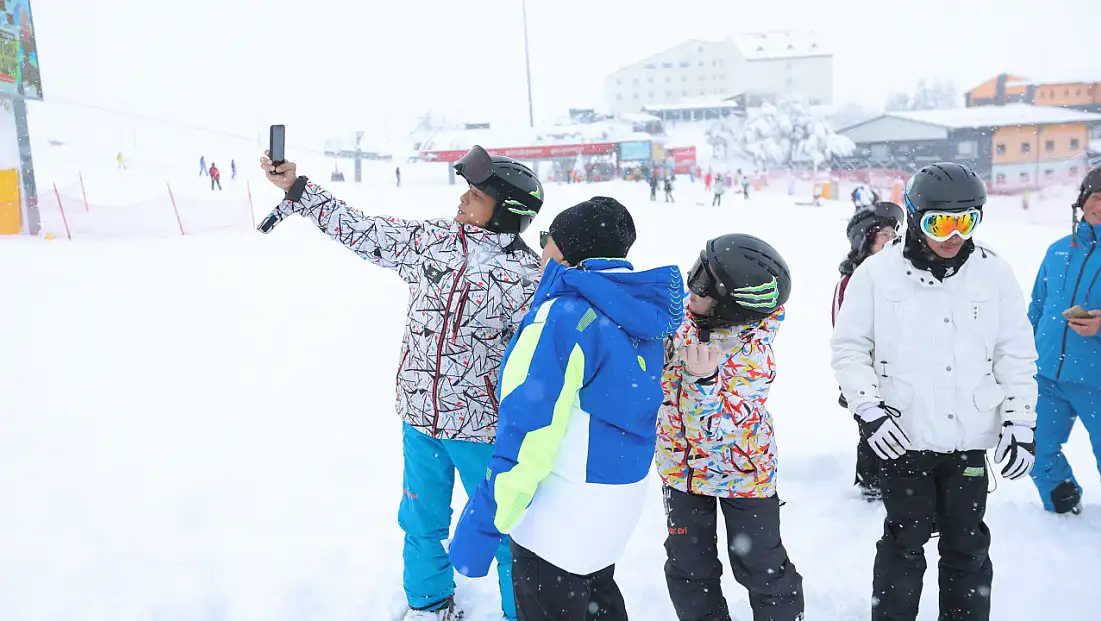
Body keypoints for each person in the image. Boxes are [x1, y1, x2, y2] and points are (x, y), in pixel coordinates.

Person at [259, 145, 545, 621]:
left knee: (504, 533)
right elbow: (363, 230)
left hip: (483, 431)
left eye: (475, 195)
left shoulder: (530, 278)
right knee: (420, 520)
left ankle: (524, 613)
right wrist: (297, 189)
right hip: (419, 417)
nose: (462, 200)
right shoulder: (433, 242)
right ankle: (429, 603)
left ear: (507, 213)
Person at [449, 197, 684, 621]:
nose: (541, 251)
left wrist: (483, 524)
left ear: (565, 252)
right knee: (596, 603)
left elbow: (529, 437)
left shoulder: (563, 317)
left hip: (559, 521)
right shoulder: (637, 314)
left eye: (547, 241)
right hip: (615, 509)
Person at [830, 162, 1039, 621]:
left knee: (967, 543)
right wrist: (869, 410)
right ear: (915, 217)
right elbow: (849, 350)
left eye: (967, 221)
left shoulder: (994, 274)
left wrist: (1020, 420)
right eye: (939, 222)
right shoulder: (877, 275)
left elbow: (1016, 354)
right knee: (904, 541)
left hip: (969, 440)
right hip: (904, 435)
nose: (953, 235)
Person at [657, 234, 805, 621]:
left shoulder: (752, 352)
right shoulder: (685, 319)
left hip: (744, 476)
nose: (693, 286)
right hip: (683, 472)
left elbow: (718, 426)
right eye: (696, 271)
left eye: (704, 283)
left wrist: (703, 380)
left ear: (732, 306)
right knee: (690, 571)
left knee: (762, 569)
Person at [1028, 164, 1101, 515]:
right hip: (1046, 375)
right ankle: (1062, 497)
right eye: (1097, 197)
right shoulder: (1058, 250)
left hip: (1096, 380)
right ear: (1083, 200)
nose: (1100, 206)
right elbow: (1037, 306)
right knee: (1034, 446)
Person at [831, 202, 904, 501]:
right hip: (868, 375)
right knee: (871, 431)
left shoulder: (901, 276)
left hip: (901, 373)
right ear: (864, 239)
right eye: (884, 234)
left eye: (895, 232)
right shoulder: (851, 282)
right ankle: (871, 484)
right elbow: (844, 335)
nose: (892, 239)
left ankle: (899, 483)